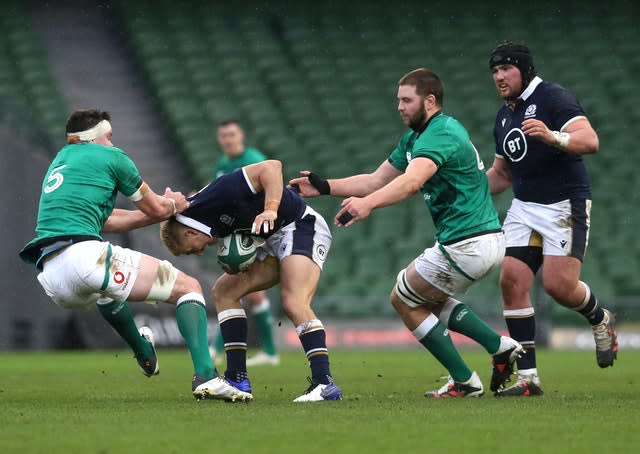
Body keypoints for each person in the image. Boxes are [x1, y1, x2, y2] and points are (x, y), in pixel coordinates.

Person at [290, 68, 523, 398]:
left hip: (467, 241)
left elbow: (411, 182)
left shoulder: (440, 133)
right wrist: (326, 186)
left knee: (403, 298)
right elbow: (376, 179)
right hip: (477, 240)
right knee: (426, 298)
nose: (399, 106)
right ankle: (497, 346)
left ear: (429, 101)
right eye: (398, 100)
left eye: (406, 100)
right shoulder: (416, 138)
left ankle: (466, 378)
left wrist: (367, 205)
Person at [19, 109, 251, 403]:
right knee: (189, 288)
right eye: (110, 136)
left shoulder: (61, 162)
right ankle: (206, 376)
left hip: (52, 276)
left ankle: (142, 350)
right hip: (85, 257)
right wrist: (173, 204)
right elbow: (156, 209)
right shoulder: (113, 158)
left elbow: (108, 221)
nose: (113, 142)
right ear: (95, 136)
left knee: (106, 293)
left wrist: (163, 209)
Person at [485, 42, 618, 396]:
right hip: (525, 206)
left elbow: (590, 141)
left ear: (524, 70)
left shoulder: (553, 97)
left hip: (564, 203)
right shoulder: (504, 115)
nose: (499, 76)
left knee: (558, 286)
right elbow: (502, 173)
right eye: (494, 71)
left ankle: (599, 318)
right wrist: (469, 192)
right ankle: (529, 379)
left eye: (506, 69)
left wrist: (552, 135)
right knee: (511, 280)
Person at [158, 159, 342, 402]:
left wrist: (270, 209)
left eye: (192, 250)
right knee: (224, 291)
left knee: (294, 301)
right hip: (270, 239)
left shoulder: (218, 195)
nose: (200, 253)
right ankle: (237, 379)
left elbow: (272, 167)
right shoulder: (198, 216)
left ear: (191, 232)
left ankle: (324, 383)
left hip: (299, 225)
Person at [210, 119, 279, 367]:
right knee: (245, 292)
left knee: (238, 290)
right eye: (224, 135)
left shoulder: (253, 158)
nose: (228, 139)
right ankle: (269, 351)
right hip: (238, 231)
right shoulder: (223, 164)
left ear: (241, 136)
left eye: (232, 134)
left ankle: (219, 349)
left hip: (254, 231)